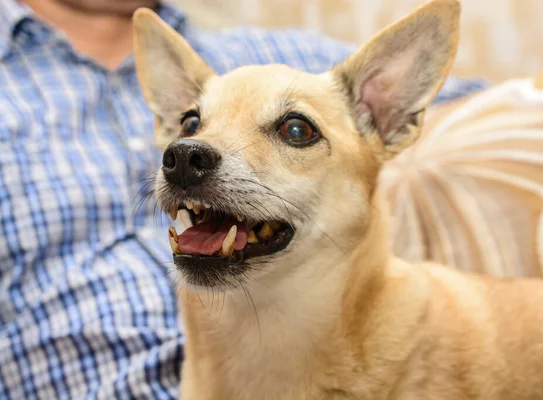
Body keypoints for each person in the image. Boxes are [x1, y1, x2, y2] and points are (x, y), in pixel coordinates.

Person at [0, 0, 486, 398]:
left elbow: (504, 102)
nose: (192, 149)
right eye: (191, 125)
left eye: (293, 130)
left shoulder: (269, 49)